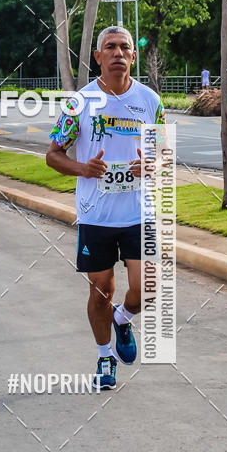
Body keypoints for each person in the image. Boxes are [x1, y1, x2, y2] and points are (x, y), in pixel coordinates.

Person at [46, 26, 165, 390]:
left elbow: (161, 152)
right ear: (97, 56)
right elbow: (53, 155)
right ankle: (104, 356)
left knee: (147, 287)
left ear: (132, 55)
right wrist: (83, 168)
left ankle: (124, 319)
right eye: (109, 47)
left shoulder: (150, 101)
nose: (117, 52)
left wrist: (153, 165)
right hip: (96, 214)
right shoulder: (78, 103)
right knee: (101, 289)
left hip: (138, 211)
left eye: (124, 47)